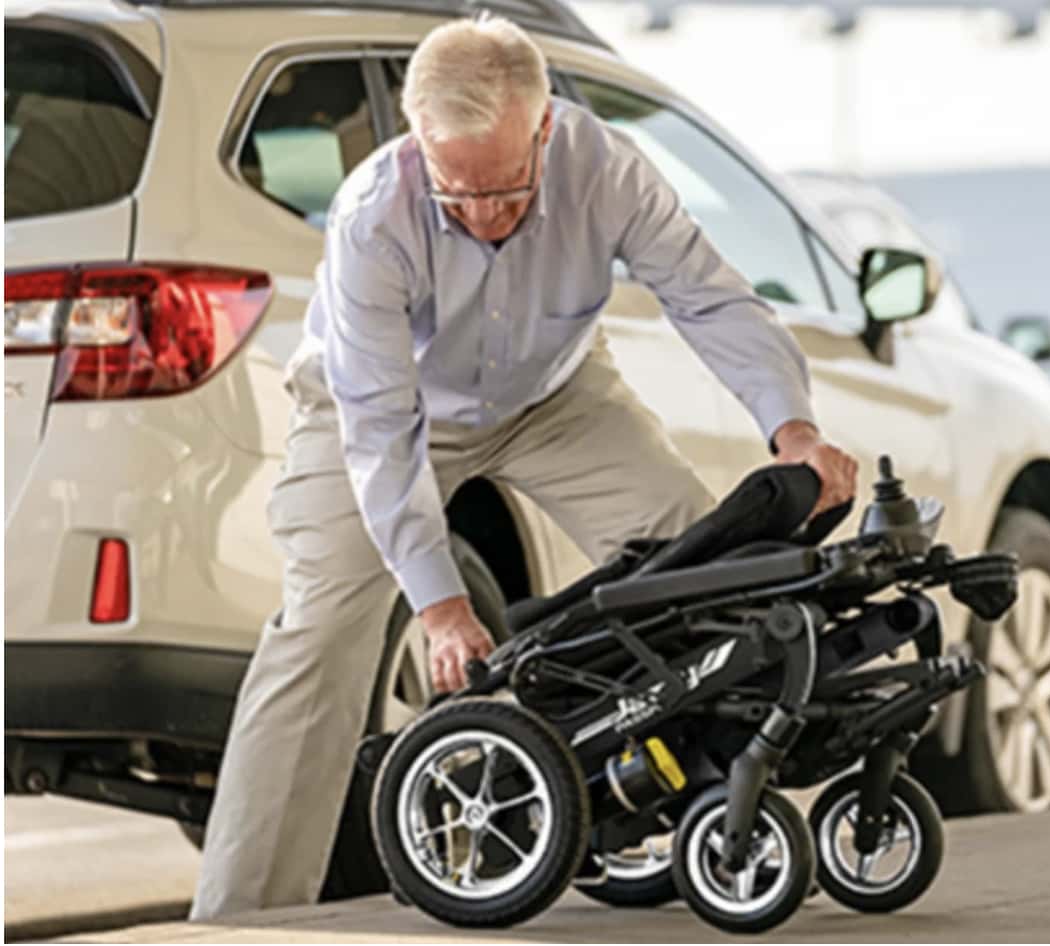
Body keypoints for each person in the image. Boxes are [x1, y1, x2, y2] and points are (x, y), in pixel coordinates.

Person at [190, 16, 857, 919]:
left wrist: (793, 431)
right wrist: (440, 606)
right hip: (380, 408)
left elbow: (710, 300)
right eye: (454, 191)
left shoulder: (608, 170)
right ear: (416, 138)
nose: (481, 215)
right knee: (320, 629)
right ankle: (243, 916)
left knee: (702, 567)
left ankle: (702, 826)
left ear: (546, 130)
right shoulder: (371, 216)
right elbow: (382, 429)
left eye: (505, 190)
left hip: (554, 395)